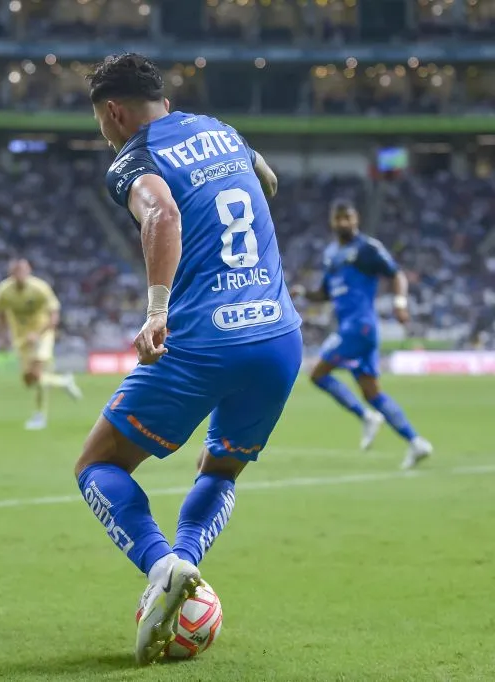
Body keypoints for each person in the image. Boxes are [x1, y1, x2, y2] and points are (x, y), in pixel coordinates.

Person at [75, 53, 303, 664]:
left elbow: (163, 212)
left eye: (102, 121)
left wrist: (156, 310)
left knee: (98, 466)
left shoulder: (134, 158)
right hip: (278, 335)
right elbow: (267, 178)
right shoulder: (221, 130)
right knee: (220, 469)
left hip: (202, 340)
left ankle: (160, 566)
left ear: (115, 112)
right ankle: (187, 570)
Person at [293, 199, 432, 469]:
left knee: (317, 374)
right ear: (332, 222)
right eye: (339, 218)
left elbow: (396, 275)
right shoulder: (331, 253)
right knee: (372, 392)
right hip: (356, 328)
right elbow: (324, 294)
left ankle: (365, 417)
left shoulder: (367, 248)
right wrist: (303, 293)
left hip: (359, 326)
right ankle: (416, 442)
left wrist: (400, 303)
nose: (344, 223)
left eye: (349, 217)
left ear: (356, 219)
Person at [0, 258, 82, 430]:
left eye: (23, 271)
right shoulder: (4, 290)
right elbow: (0, 314)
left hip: (43, 334)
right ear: (11, 273)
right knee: (28, 380)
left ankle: (40, 416)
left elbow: (54, 316)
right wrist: (1, 337)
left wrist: (38, 334)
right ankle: (63, 382)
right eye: (16, 272)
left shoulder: (40, 288)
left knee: (37, 372)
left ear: (29, 271)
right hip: (21, 338)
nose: (19, 275)